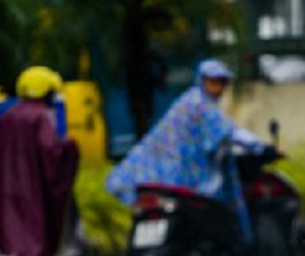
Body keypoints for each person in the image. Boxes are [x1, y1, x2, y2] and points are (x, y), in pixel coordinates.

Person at [105, 59, 267, 245]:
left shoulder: (190, 101)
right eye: (212, 81)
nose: (218, 87)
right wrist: (261, 146)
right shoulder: (201, 104)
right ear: (202, 80)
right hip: (185, 180)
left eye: (222, 82)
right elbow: (229, 132)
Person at [0, 65, 79, 256]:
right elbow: (52, 154)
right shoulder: (42, 117)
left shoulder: (5, 118)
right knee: (34, 238)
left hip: (2, 195)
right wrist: (70, 148)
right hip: (32, 196)